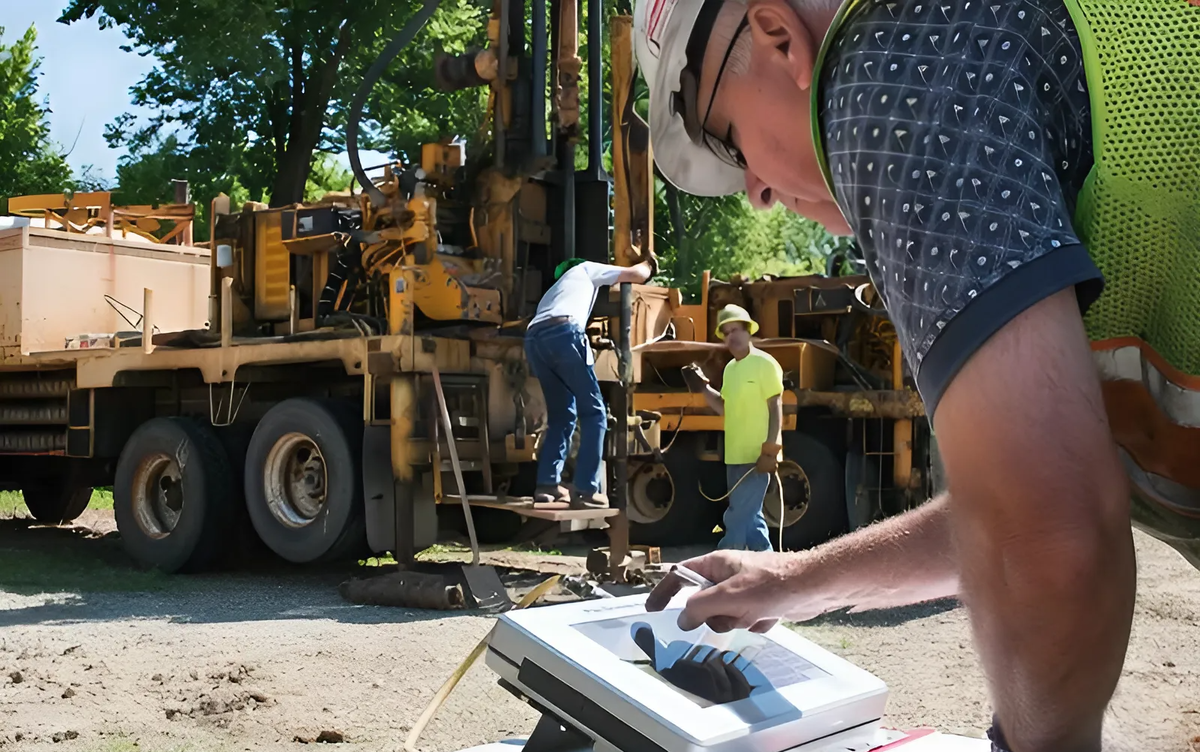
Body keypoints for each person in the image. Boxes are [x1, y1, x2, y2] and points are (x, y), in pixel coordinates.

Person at [633, 0, 1200, 750]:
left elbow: (1044, 534)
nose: (756, 192)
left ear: (778, 37)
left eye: (728, 139)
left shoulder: (890, 70)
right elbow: (1015, 506)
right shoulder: (984, 39)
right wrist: (796, 580)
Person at [525, 254, 656, 509]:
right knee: (595, 413)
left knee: (562, 416)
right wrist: (649, 263)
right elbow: (636, 275)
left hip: (534, 339)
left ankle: (547, 485)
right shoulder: (586, 269)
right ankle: (586, 489)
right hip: (564, 333)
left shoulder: (555, 290)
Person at [684, 304, 783, 552]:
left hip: (757, 455)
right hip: (734, 455)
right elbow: (725, 408)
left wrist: (770, 450)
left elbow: (775, 407)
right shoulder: (730, 369)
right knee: (751, 517)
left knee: (737, 516)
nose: (732, 336)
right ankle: (768, 565)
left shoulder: (765, 364)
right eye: (727, 332)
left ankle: (723, 564)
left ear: (748, 331)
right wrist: (703, 388)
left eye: (736, 329)